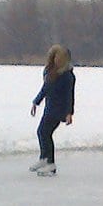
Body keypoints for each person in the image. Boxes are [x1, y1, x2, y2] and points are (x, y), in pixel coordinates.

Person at [29, 45, 75, 175]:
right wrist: (36, 102)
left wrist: (69, 113)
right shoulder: (50, 73)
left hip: (59, 109)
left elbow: (69, 95)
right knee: (42, 133)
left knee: (44, 132)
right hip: (49, 108)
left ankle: (50, 163)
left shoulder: (67, 75)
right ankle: (45, 159)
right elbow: (45, 88)